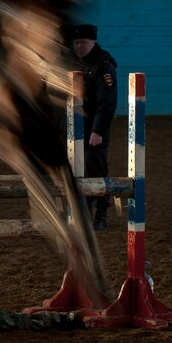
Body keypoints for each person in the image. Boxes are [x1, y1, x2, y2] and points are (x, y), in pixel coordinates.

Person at [67, 24, 118, 230]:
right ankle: (83, 211)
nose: (79, 46)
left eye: (83, 42)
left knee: (96, 169)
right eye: (76, 42)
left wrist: (97, 130)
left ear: (93, 42)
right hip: (74, 126)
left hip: (93, 129)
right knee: (75, 169)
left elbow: (107, 102)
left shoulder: (104, 65)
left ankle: (101, 214)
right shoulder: (71, 59)